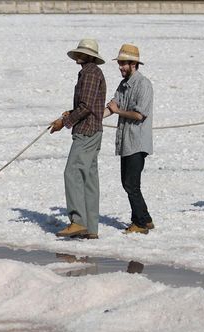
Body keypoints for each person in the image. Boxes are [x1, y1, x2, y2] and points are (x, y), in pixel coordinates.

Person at [50, 39, 106, 240]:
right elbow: (86, 105)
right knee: (88, 178)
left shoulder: (90, 73)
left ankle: (78, 221)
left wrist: (64, 122)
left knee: (72, 172)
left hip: (87, 131)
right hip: (92, 130)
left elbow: (86, 107)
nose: (78, 55)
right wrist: (70, 114)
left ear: (90, 56)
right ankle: (90, 228)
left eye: (81, 53)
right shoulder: (90, 72)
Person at [105, 43, 155, 234]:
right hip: (126, 141)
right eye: (119, 63)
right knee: (127, 182)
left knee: (131, 184)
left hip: (137, 142)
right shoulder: (123, 85)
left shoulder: (144, 85)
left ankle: (140, 224)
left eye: (123, 63)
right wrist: (94, 117)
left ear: (133, 64)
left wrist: (118, 111)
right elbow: (113, 106)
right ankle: (146, 218)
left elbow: (139, 115)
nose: (120, 67)